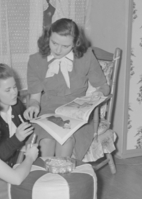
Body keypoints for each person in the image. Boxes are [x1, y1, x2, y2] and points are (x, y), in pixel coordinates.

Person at [25, 18, 110, 159]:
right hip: (48, 111)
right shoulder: (36, 60)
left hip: (77, 113)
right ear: (48, 37)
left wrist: (98, 93)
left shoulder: (86, 57)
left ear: (75, 43)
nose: (58, 50)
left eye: (65, 46)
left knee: (66, 141)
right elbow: (35, 98)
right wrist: (33, 106)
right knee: (46, 141)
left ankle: (62, 178)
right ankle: (45, 178)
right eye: (54, 43)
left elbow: (104, 87)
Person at [0, 63, 35, 167]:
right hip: (0, 169)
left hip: (18, 161)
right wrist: (17, 138)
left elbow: (28, 134)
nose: (14, 92)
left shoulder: (17, 105)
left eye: (14, 87)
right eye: (8, 90)